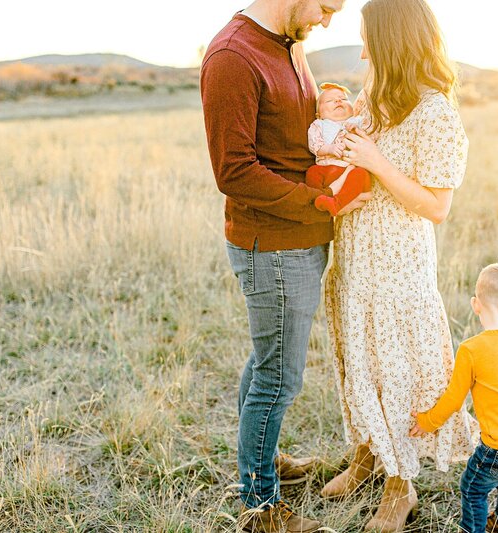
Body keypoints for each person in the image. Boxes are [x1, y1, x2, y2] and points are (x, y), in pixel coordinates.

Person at [200, 1, 369, 531]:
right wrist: (317, 203)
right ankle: (261, 506)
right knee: (279, 378)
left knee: (268, 361)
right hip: (272, 247)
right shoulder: (233, 56)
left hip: (300, 238)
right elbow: (234, 171)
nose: (328, 18)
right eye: (326, 5)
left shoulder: (290, 45)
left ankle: (262, 462)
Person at [322, 0, 476, 530]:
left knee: (396, 371)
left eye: (368, 39)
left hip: (397, 270)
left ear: (391, 43)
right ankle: (368, 455)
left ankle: (399, 484)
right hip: (355, 260)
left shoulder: (435, 112)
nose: (362, 50)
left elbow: (437, 206)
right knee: (359, 363)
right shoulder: (376, 98)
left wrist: (375, 163)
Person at [409, 263, 498, 533]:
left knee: (472, 487)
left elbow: (453, 399)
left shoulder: (471, 350)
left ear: (476, 305)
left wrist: (427, 422)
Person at [306, 83, 372, 215]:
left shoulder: (356, 122)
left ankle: (337, 203)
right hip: (326, 169)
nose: (338, 100)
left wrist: (357, 129)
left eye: (344, 99)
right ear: (319, 114)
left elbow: (369, 136)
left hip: (349, 171)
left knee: (361, 174)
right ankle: (316, 200)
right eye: (330, 100)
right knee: (312, 172)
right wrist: (329, 149)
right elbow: (315, 146)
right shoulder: (319, 125)